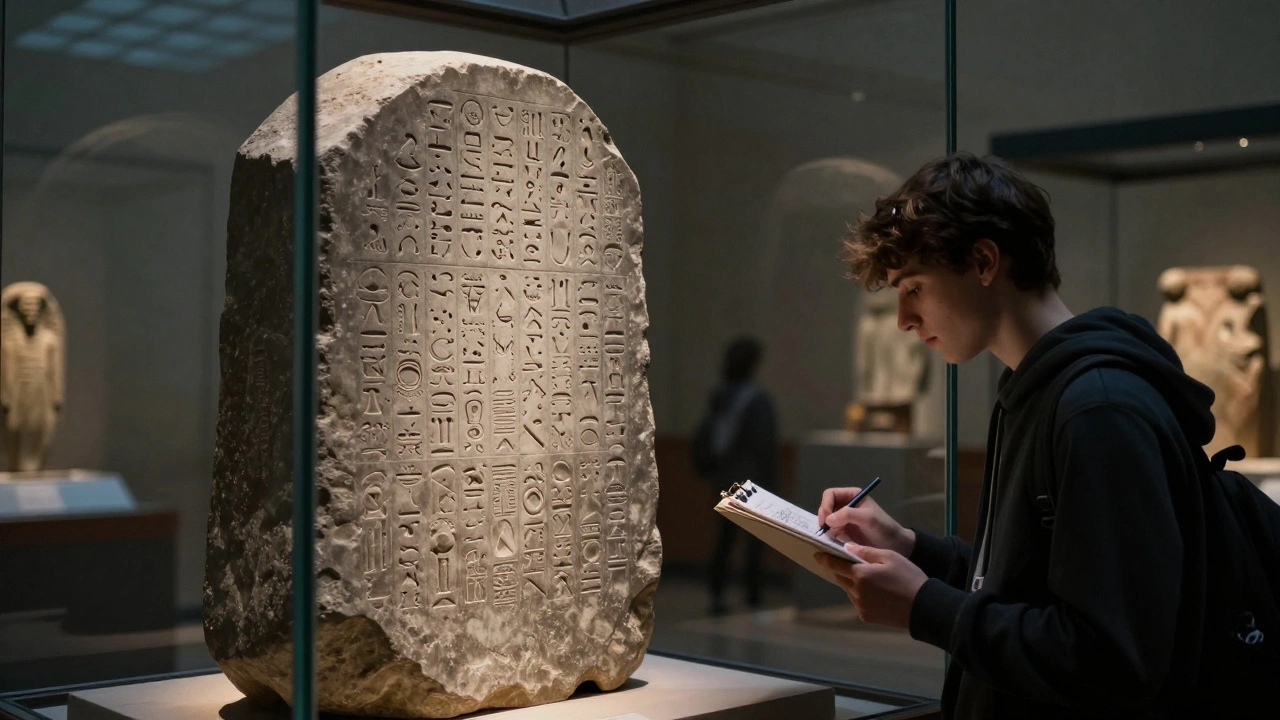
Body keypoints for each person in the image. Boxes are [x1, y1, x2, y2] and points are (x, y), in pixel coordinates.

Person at [814, 153, 1213, 718]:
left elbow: (1112, 659)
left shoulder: (1098, 411)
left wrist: (927, 607)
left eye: (915, 287)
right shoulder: (1033, 390)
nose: (903, 318)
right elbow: (1029, 589)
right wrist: (912, 550)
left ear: (983, 261)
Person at [695, 336, 778, 615]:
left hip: (724, 475)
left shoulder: (720, 395)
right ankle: (753, 595)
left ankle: (716, 593)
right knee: (754, 538)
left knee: (725, 537)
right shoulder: (757, 400)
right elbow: (764, 444)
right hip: (750, 478)